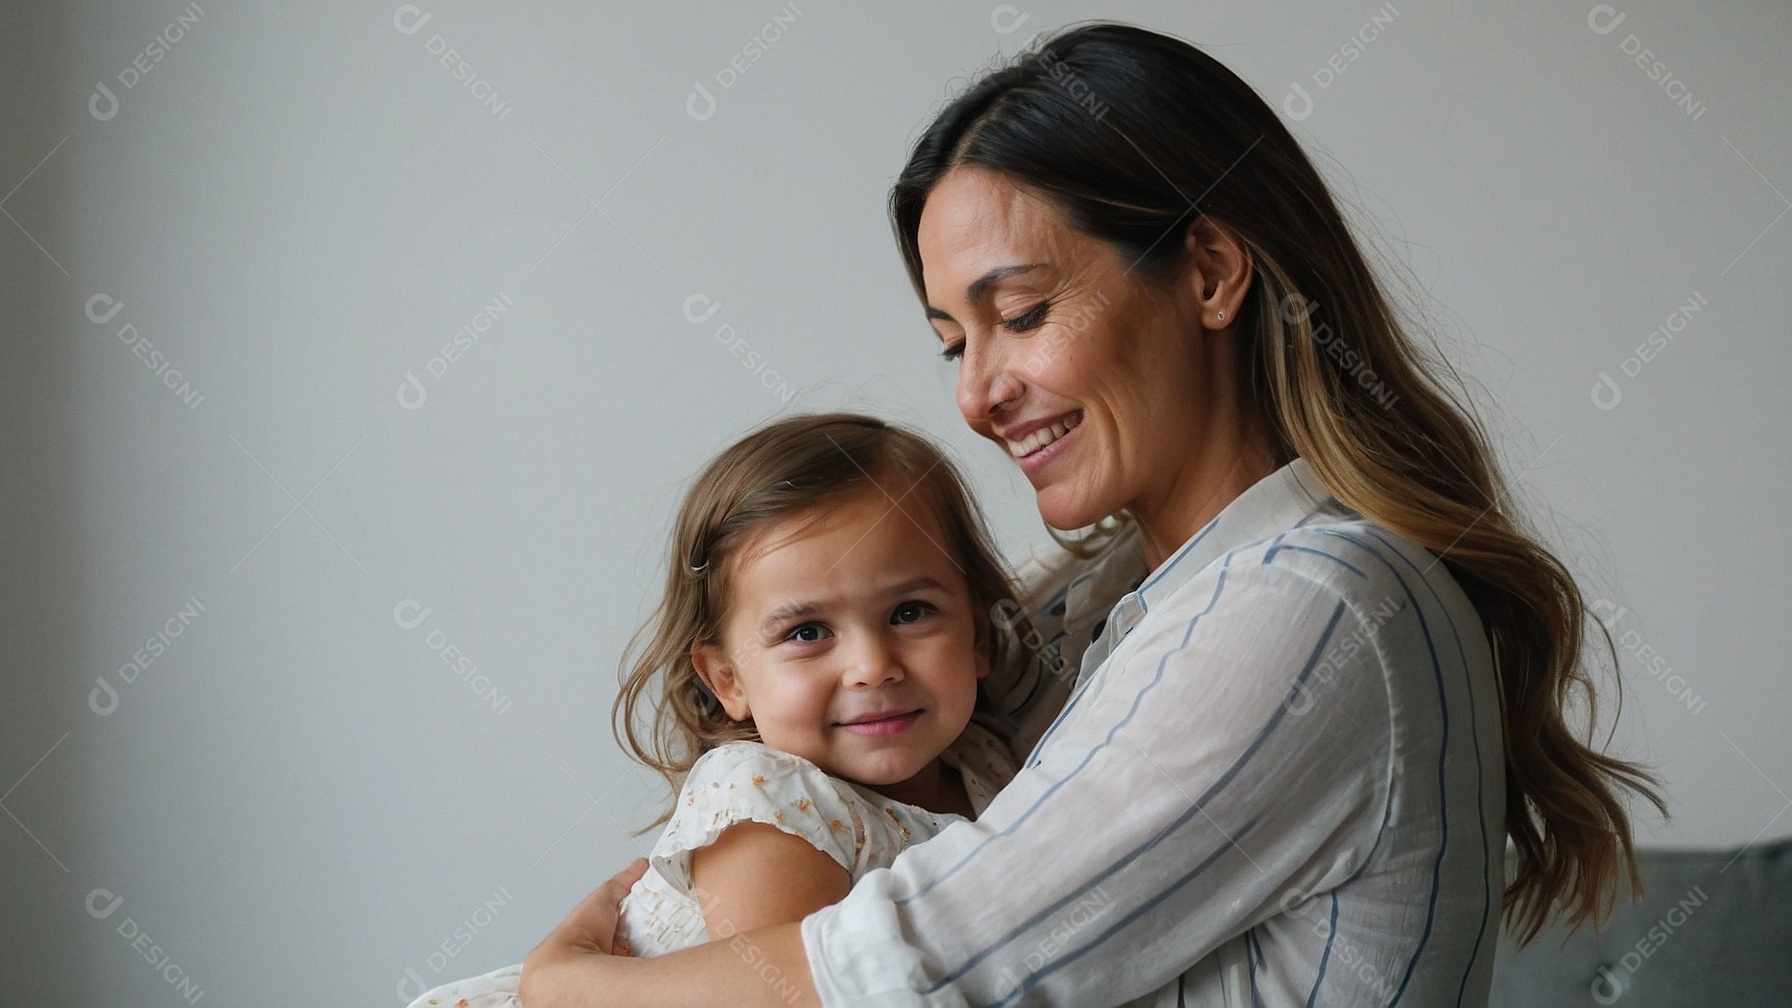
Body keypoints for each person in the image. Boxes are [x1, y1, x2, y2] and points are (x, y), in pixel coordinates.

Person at [520, 21, 1663, 1007]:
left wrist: (574, 986)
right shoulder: (1105, 598)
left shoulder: (1312, 605)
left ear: (1211, 272)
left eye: (1019, 314)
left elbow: (928, 969)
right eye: (952, 344)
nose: (974, 396)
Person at [405, 413, 1025, 1008]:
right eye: (807, 633)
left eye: (910, 612)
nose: (871, 665)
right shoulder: (768, 805)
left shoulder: (987, 762)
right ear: (728, 680)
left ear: (976, 632)